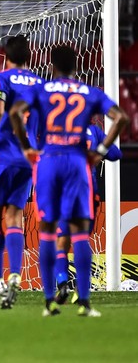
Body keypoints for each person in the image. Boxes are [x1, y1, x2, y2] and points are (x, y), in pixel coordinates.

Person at [10, 45, 128, 317]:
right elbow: (121, 117)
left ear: (51, 66)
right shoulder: (90, 92)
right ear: (77, 66)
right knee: (79, 232)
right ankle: (84, 303)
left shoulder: (42, 90)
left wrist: (26, 146)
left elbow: (15, 111)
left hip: (49, 159)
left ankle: (50, 301)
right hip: (77, 162)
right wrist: (99, 151)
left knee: (49, 231)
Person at [0, 35, 42, 309]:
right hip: (27, 157)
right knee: (15, 216)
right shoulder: (39, 82)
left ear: (5, 55)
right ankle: (16, 274)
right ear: (28, 56)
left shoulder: (0, 76)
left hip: (1, 155)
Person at [54, 123, 122, 304]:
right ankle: (81, 289)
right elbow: (116, 154)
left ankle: (61, 282)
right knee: (81, 241)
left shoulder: (56, 128)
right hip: (88, 193)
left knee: (61, 241)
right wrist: (98, 150)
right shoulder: (94, 131)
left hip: (64, 191)